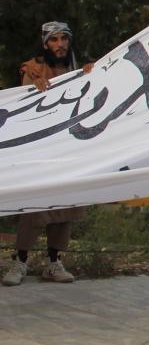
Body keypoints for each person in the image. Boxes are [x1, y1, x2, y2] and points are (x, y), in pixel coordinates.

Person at [3, 22, 94, 287]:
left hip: (69, 149)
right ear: (45, 44)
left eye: (64, 39)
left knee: (66, 205)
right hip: (41, 151)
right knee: (34, 206)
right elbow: (25, 102)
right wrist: (34, 86)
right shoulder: (33, 69)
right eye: (54, 40)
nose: (60, 45)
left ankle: (54, 263)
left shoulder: (77, 69)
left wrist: (94, 73)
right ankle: (20, 262)